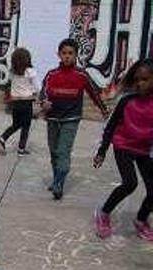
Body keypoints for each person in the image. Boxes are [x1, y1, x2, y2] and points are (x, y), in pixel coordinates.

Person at [38, 38, 109, 200]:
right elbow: (43, 92)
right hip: (53, 119)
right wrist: (44, 102)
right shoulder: (51, 74)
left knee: (63, 151)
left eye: (70, 53)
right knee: (54, 151)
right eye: (64, 53)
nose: (67, 56)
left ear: (76, 55)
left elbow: (94, 93)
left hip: (71, 118)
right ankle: (57, 178)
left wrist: (104, 109)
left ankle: (59, 183)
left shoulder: (81, 75)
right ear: (59, 55)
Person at [92, 59, 153, 241]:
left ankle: (141, 220)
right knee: (130, 183)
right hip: (124, 146)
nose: (139, 84)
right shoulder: (126, 101)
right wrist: (102, 151)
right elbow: (110, 127)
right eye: (137, 79)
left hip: (144, 149)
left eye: (145, 79)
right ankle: (104, 214)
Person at [0, 47, 37, 156]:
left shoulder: (11, 72)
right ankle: (21, 149)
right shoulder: (30, 72)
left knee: (16, 124)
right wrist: (37, 95)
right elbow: (36, 86)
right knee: (26, 126)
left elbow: (8, 86)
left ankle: (2, 138)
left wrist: (8, 99)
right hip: (26, 102)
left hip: (15, 103)